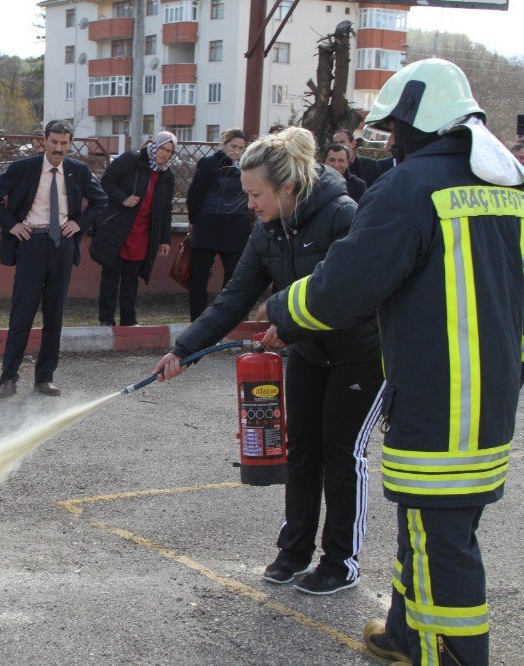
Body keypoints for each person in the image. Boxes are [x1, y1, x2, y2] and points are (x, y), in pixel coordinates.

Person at [264, 59, 524, 665]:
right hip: (489, 392)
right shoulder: (506, 186)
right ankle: (405, 632)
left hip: (438, 393)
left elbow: (345, 286)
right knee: (434, 524)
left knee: (443, 540)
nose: (390, 142)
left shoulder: (411, 188)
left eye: (393, 130)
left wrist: (282, 309)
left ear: (413, 124)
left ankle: (452, 655)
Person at [154, 127, 383, 595]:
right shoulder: (266, 231)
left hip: (359, 355)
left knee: (342, 457)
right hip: (309, 355)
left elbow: (350, 296)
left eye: (256, 195)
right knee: (301, 453)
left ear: (288, 188)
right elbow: (233, 299)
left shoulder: (344, 215)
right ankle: (294, 552)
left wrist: (289, 324)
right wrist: (184, 349)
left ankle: (340, 562)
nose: (250, 205)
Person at [0, 120, 107, 398]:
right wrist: (12, 224)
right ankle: (8, 379)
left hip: (62, 245)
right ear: (44, 140)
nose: (58, 148)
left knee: (54, 314)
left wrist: (79, 224)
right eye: (54, 142)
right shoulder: (22, 168)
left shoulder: (78, 171)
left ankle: (45, 378)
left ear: (70, 143)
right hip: (31, 243)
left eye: (64, 143)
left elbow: (101, 202)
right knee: (22, 313)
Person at [90, 131, 176, 327]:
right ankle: (106, 320)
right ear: (154, 145)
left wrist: (164, 239)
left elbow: (166, 209)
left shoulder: (167, 175)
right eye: (162, 148)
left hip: (143, 234)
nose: (164, 154)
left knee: (131, 278)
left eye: (169, 151)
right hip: (118, 228)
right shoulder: (132, 160)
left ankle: (129, 320)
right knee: (111, 276)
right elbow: (106, 182)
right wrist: (123, 198)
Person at [184, 128, 253, 321]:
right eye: (233, 146)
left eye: (241, 147)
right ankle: (197, 319)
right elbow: (194, 194)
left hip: (236, 230)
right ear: (224, 144)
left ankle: (229, 318)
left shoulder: (247, 166)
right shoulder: (209, 163)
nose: (236, 151)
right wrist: (193, 220)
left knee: (234, 278)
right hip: (208, 228)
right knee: (199, 277)